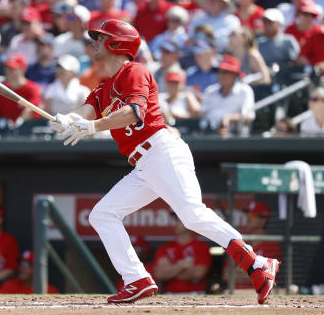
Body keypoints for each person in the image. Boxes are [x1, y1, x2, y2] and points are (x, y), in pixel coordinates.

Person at [50, 19, 280, 304]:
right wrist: (67, 120)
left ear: (117, 44)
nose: (94, 43)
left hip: (162, 151)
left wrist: (94, 126)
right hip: (144, 164)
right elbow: (84, 112)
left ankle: (257, 263)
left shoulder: (134, 70)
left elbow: (135, 112)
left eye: (101, 38)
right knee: (102, 214)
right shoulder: (102, 87)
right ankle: (136, 279)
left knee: (192, 214)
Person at [222, 201, 282, 289]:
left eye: (252, 215)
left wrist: (242, 271)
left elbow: (267, 279)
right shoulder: (241, 243)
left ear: (263, 219)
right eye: (247, 214)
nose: (248, 218)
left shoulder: (271, 245)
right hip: (235, 294)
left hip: (258, 294)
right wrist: (252, 273)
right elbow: (226, 275)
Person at [154, 213, 212, 294]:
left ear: (189, 223)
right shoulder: (165, 248)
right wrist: (182, 265)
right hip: (169, 294)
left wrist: (170, 272)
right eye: (175, 220)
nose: (176, 223)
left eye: (179, 220)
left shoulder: (201, 247)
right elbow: (159, 274)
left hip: (196, 294)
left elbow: (198, 273)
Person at [197, 55, 255, 134]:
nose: (221, 75)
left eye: (226, 72)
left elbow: (248, 116)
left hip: (234, 135)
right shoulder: (210, 90)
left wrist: (229, 118)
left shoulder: (244, 90)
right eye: (219, 72)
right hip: (207, 133)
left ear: (235, 75)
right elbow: (201, 114)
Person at [0, 53, 42, 122]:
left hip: (27, 129)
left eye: (13, 68)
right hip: (5, 129)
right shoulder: (2, 88)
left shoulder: (32, 88)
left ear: (23, 69)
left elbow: (31, 110)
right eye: (7, 67)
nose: (9, 71)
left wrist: (18, 123)